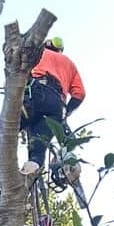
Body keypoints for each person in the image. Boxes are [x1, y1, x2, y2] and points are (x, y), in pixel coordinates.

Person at [20, 36, 85, 178]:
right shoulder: (69, 63)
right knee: (38, 144)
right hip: (56, 105)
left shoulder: (37, 54)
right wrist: (66, 112)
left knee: (4, 133)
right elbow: (79, 94)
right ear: (59, 50)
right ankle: (34, 164)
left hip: (34, 93)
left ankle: (2, 172)